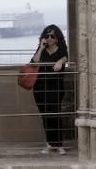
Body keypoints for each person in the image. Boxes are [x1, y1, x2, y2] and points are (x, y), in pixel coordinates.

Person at [31, 24, 68, 154]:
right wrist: (41, 47)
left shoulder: (61, 49)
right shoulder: (41, 50)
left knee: (55, 115)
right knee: (45, 116)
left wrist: (60, 62)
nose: (50, 38)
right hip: (40, 88)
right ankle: (50, 144)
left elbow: (65, 57)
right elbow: (34, 62)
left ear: (57, 38)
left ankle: (58, 145)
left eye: (52, 36)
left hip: (55, 87)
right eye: (47, 36)